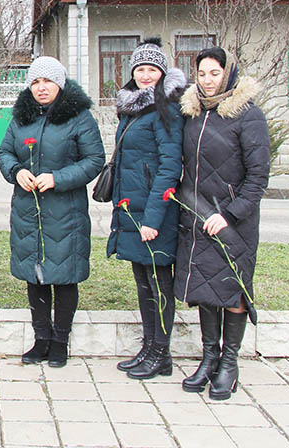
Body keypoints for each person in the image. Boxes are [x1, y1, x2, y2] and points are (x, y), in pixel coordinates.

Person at [0, 56, 105, 367]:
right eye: (35, 82)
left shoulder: (79, 117)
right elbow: (5, 151)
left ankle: (60, 341)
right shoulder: (22, 117)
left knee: (64, 276)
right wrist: (16, 171)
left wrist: (58, 178)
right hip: (28, 212)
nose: (41, 88)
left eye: (47, 81)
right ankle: (41, 338)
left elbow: (94, 159)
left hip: (65, 211)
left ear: (60, 83)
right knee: (35, 276)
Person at [175, 46, 270, 400]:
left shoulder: (249, 116)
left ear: (228, 73)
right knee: (206, 290)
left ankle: (229, 363)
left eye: (214, 73)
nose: (207, 80)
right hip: (199, 217)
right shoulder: (193, 114)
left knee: (232, 290)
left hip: (234, 222)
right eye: (201, 74)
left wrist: (228, 214)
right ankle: (209, 358)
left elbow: (258, 178)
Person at [107, 39, 186, 380]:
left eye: (152, 69)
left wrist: (153, 219)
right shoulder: (133, 108)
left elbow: (169, 168)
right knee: (143, 283)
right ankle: (149, 347)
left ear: (162, 73)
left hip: (155, 214)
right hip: (132, 209)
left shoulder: (166, 109)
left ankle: (161, 353)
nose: (145, 75)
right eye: (140, 69)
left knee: (159, 284)